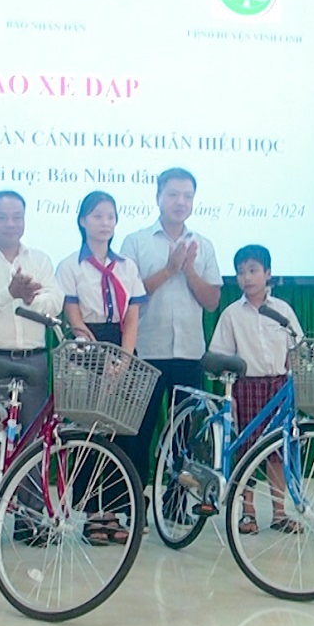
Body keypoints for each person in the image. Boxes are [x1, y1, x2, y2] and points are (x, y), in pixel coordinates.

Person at [119, 167, 222, 491]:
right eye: (174, 194)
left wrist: (189, 270)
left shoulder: (203, 245)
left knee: (186, 435)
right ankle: (135, 503)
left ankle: (175, 507)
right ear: (158, 197)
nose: (181, 202)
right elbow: (126, 298)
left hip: (189, 353)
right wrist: (169, 269)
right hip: (146, 352)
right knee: (138, 433)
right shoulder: (136, 242)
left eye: (187, 196)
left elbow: (212, 301)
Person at [56, 191, 149, 544]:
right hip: (87, 348)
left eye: (110, 216)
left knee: (120, 434)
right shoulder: (70, 265)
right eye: (97, 216)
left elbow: (133, 316)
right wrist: (98, 356)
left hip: (123, 348)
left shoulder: (127, 266)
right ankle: (94, 515)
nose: (105, 223)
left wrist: (123, 360)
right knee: (89, 433)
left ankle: (115, 510)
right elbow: (74, 316)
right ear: (83, 221)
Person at [206, 244, 305, 534]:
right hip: (246, 387)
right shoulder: (231, 314)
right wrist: (229, 395)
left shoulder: (282, 310)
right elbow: (221, 355)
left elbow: (297, 347)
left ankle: (279, 512)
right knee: (245, 451)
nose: (246, 277)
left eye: (253, 270)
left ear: (268, 273)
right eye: (240, 272)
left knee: (278, 451)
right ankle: (247, 513)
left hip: (278, 386)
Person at [0, 191, 63, 435]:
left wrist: (29, 299)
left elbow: (55, 303)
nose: (11, 224)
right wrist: (9, 293)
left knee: (33, 440)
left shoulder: (40, 259)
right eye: (2, 217)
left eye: (17, 217)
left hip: (33, 360)